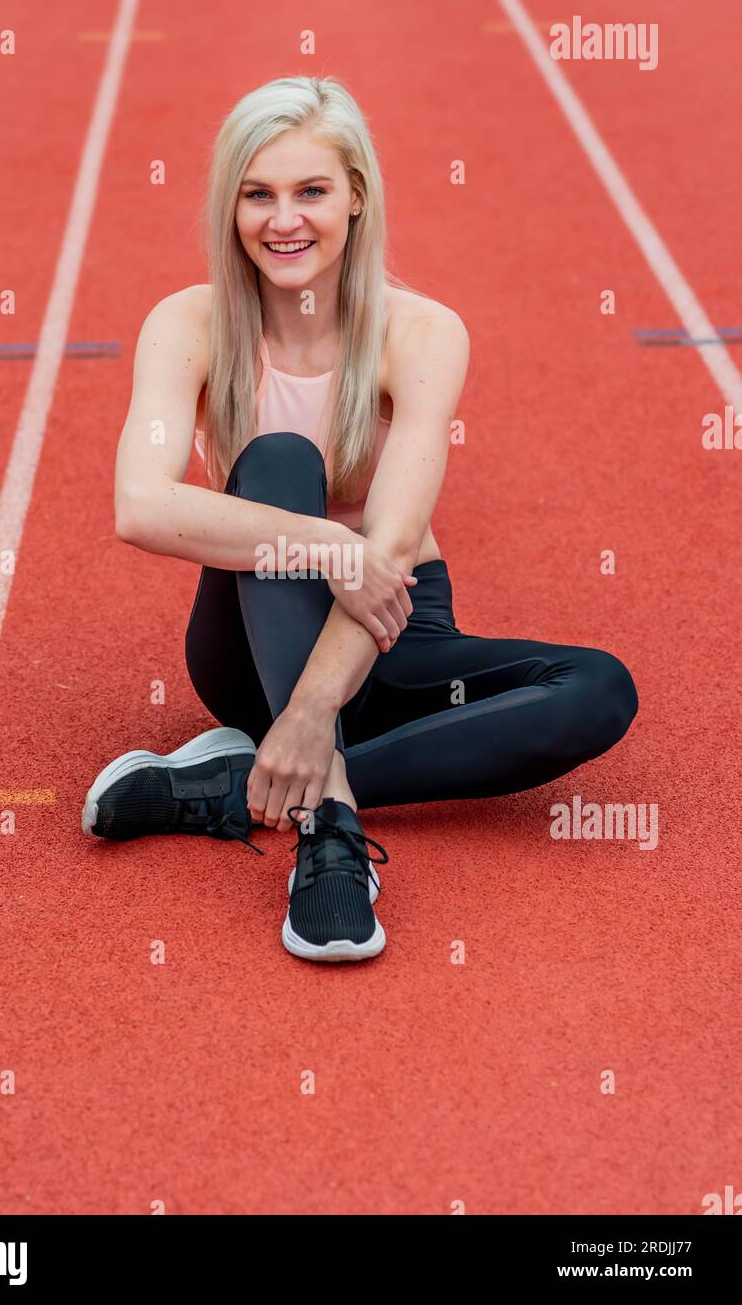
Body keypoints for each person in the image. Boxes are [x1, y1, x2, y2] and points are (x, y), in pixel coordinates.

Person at [82, 75, 638, 965]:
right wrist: (327, 543)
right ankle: (326, 829)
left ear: (356, 197)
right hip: (248, 645)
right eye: (257, 194)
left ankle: (246, 784)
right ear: (230, 206)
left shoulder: (422, 334)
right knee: (278, 463)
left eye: (311, 191)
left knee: (601, 688)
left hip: (393, 631)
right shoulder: (186, 323)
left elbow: (391, 553)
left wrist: (309, 716)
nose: (283, 219)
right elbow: (139, 506)